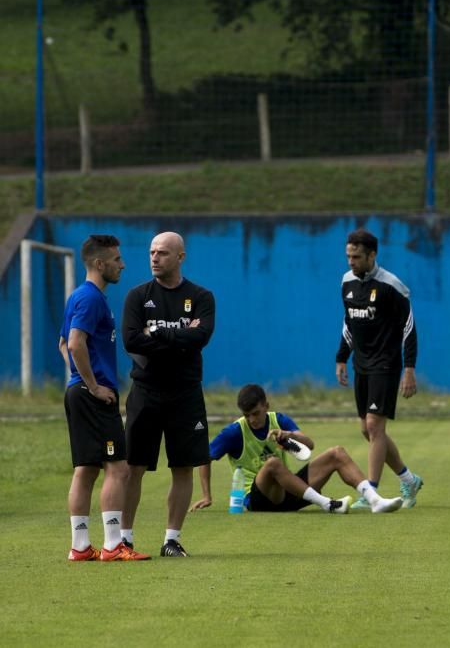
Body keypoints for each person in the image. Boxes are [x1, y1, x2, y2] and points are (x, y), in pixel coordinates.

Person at [120, 231, 215, 557]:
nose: (154, 258)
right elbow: (132, 341)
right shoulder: (137, 296)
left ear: (180, 257)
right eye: (151, 252)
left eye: (162, 253)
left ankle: (171, 539)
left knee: (183, 466)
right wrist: (179, 334)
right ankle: (125, 538)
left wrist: (158, 331)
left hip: (185, 393)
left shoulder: (201, 296)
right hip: (146, 391)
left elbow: (200, 337)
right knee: (133, 466)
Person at [59, 235, 151, 561]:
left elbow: (62, 345)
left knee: (86, 470)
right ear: (100, 264)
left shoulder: (79, 297)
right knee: (118, 469)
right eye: (116, 259)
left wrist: (77, 381)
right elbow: (73, 343)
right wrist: (93, 385)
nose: (122, 264)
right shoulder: (91, 299)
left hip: (79, 392)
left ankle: (80, 547)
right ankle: (113, 545)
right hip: (95, 396)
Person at [190, 384, 403, 514]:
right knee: (272, 463)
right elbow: (204, 457)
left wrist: (289, 436)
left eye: (255, 413)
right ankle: (327, 504)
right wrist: (207, 495)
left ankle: (375, 501)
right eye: (247, 415)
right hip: (258, 499)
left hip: (290, 493)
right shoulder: (234, 432)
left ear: (266, 405)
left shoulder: (278, 420)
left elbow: (309, 446)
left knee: (337, 452)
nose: (252, 419)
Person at [335, 228, 423, 511]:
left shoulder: (392, 286)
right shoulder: (347, 282)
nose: (351, 261)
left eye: (357, 256)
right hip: (361, 363)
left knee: (375, 426)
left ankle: (370, 492)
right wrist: (341, 358)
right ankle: (409, 479)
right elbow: (348, 322)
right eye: (348, 256)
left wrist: (409, 368)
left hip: (386, 364)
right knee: (368, 430)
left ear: (372, 255)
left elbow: (409, 328)